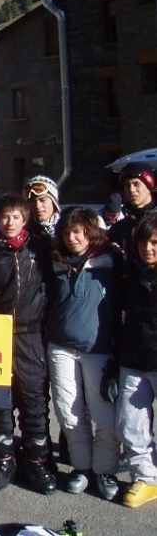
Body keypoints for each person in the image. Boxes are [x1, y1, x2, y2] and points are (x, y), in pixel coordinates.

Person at [0, 192, 56, 494]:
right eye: (5, 217)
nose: (10, 222)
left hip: (31, 334)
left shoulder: (39, 247)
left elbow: (53, 286)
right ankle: (3, 460)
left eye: (16, 217)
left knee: (34, 400)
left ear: (25, 219)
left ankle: (37, 461)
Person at [45, 206, 121, 501]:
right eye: (67, 233)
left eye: (77, 232)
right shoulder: (56, 261)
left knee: (104, 415)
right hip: (61, 347)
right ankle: (82, 468)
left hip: (98, 349)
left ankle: (105, 470)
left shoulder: (110, 260)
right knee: (68, 412)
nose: (72, 239)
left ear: (90, 232)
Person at [117, 212, 157, 508]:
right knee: (130, 424)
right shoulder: (128, 272)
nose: (148, 248)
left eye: (155, 242)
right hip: (134, 357)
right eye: (143, 242)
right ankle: (146, 478)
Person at [109, 163, 157, 254]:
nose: (131, 189)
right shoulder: (118, 229)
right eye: (127, 185)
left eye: (136, 184)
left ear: (149, 186)